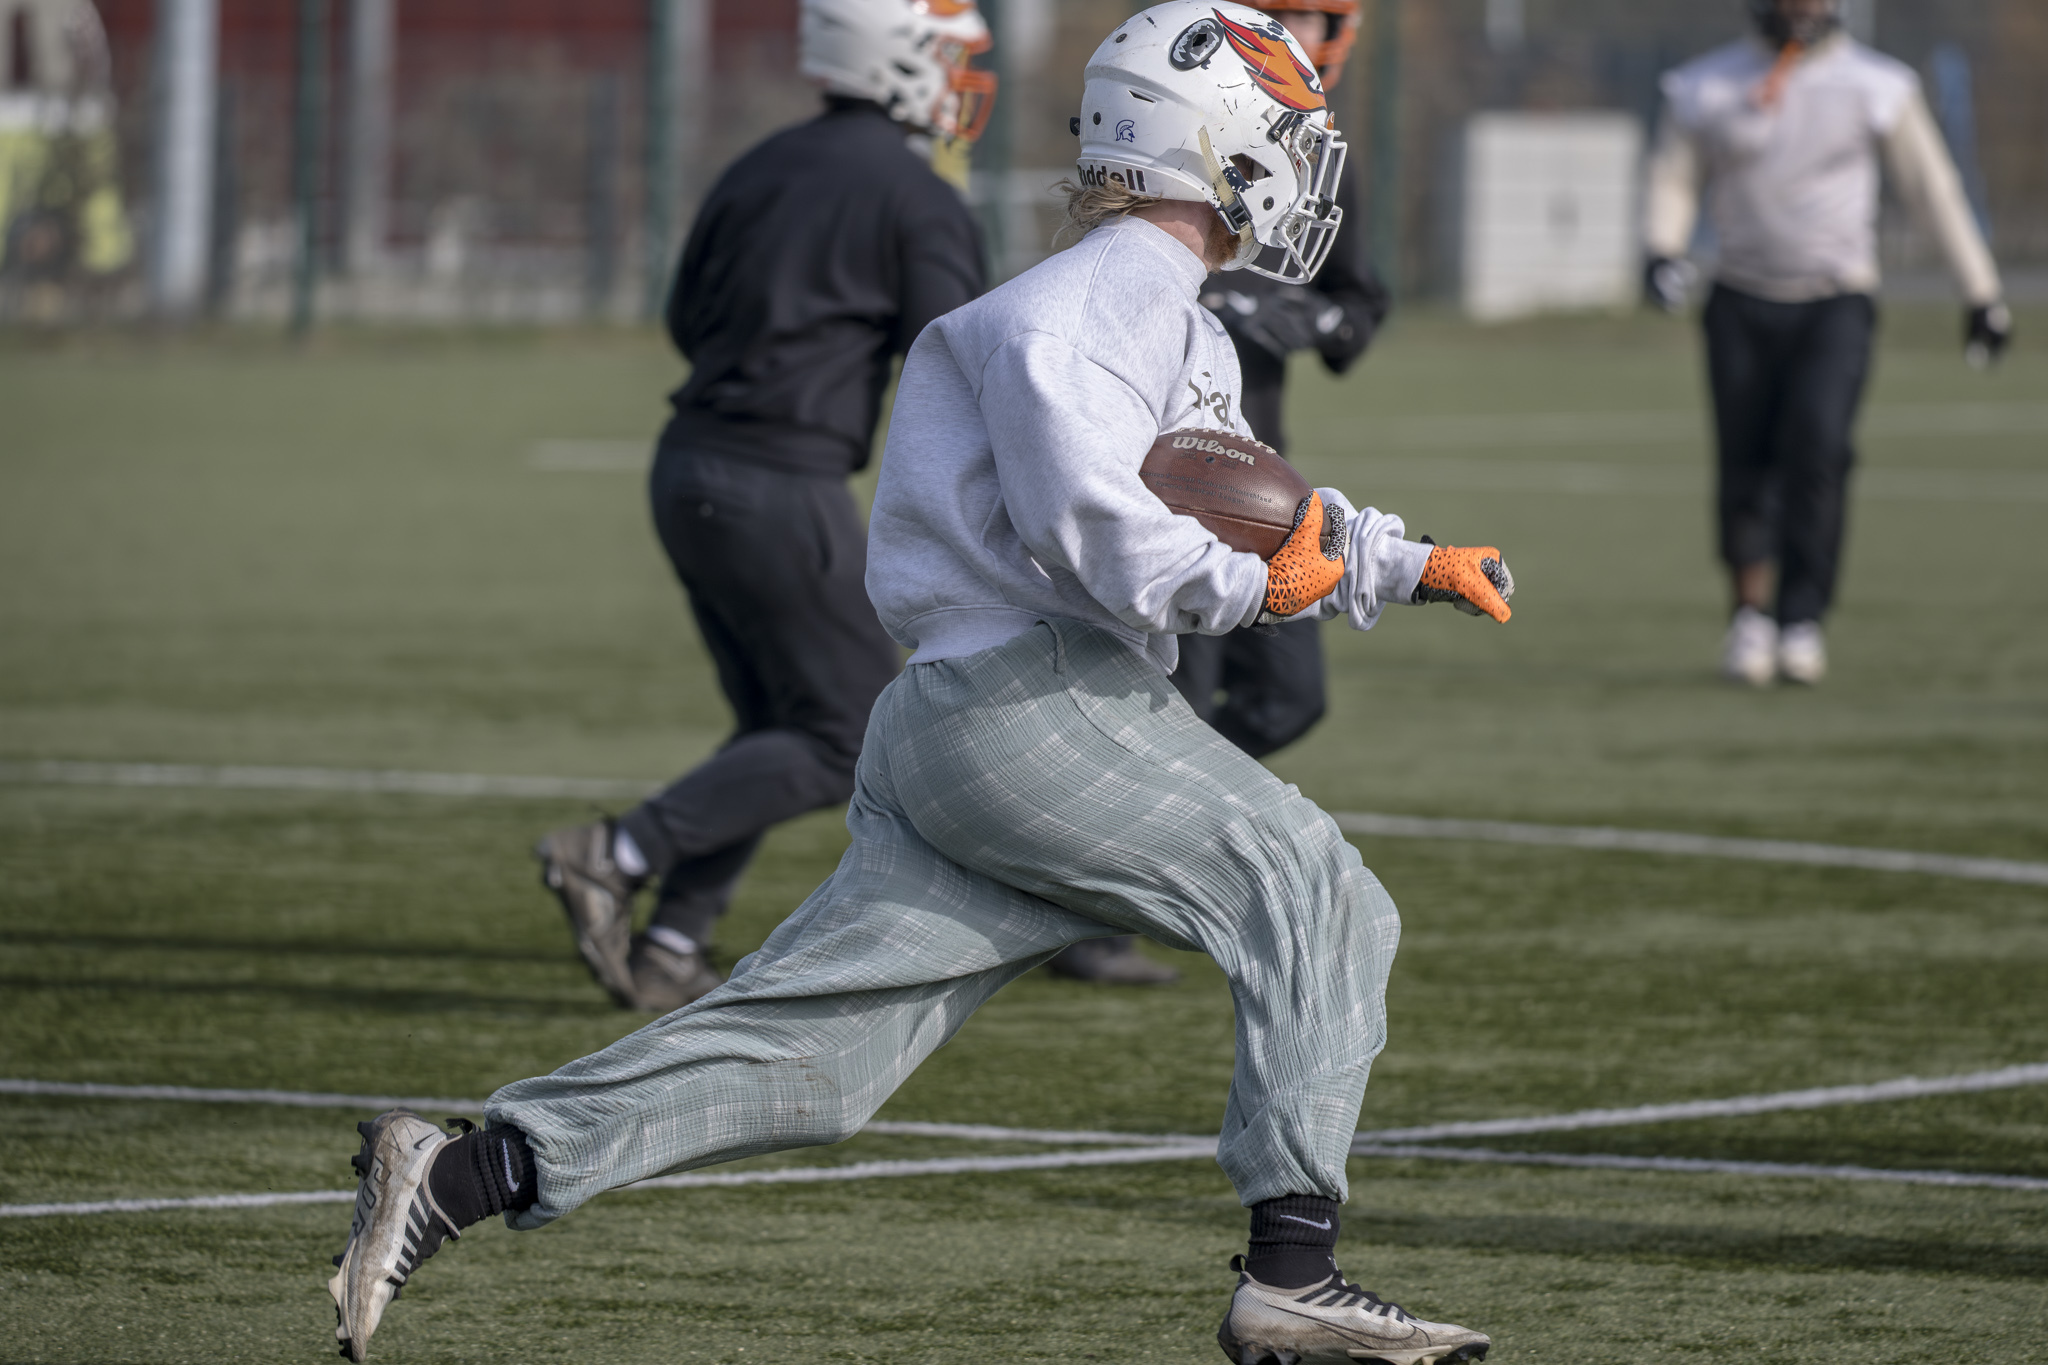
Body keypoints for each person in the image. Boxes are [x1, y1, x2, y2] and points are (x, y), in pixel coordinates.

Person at [327, 7, 1513, 1362]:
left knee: (818, 1060)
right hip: (1035, 699)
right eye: (1286, 134)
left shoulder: (1161, 313)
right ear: (1211, 142)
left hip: (969, 722)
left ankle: (464, 1173)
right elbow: (1108, 539)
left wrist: (1404, 563)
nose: (1306, 165)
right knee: (1316, 887)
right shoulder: (1091, 305)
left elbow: (1263, 513)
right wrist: (1264, 591)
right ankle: (1293, 1274)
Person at [532, 0, 994, 1012]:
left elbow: (684, 318)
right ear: (901, 61)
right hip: (778, 484)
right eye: (951, 57)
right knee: (849, 729)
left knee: (773, 721)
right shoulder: (917, 199)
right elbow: (956, 365)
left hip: (687, 465)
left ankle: (670, 941)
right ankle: (613, 851)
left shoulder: (757, 164)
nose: (964, 81)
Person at [1054, 0, 1388, 988]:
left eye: (1314, 15)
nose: (1300, 30)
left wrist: (1298, 319)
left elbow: (1356, 307)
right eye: (1282, 13)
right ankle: (1093, 903)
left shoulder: (1320, 155)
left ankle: (1128, 856)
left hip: (1256, 475)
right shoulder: (1174, 138)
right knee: (1174, 698)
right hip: (1165, 476)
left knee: (1287, 700)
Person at [1644, 0, 2008, 686]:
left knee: (1818, 447)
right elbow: (1674, 175)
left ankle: (1801, 617)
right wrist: (1659, 249)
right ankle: (1749, 616)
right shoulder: (1709, 84)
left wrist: (1981, 293)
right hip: (1741, 297)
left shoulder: (1875, 85)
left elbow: (1932, 189)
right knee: (1744, 458)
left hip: (1834, 298)